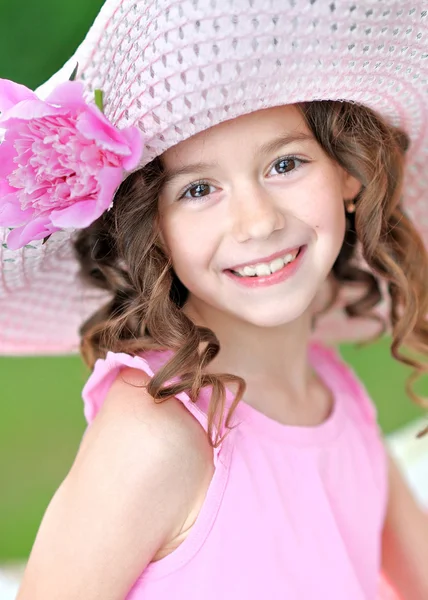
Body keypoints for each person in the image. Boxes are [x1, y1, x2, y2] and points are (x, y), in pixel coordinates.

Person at [0, 1, 427, 598]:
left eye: (285, 163)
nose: (256, 223)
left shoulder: (330, 391)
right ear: (153, 229)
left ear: (349, 173)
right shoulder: (157, 434)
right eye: (199, 189)